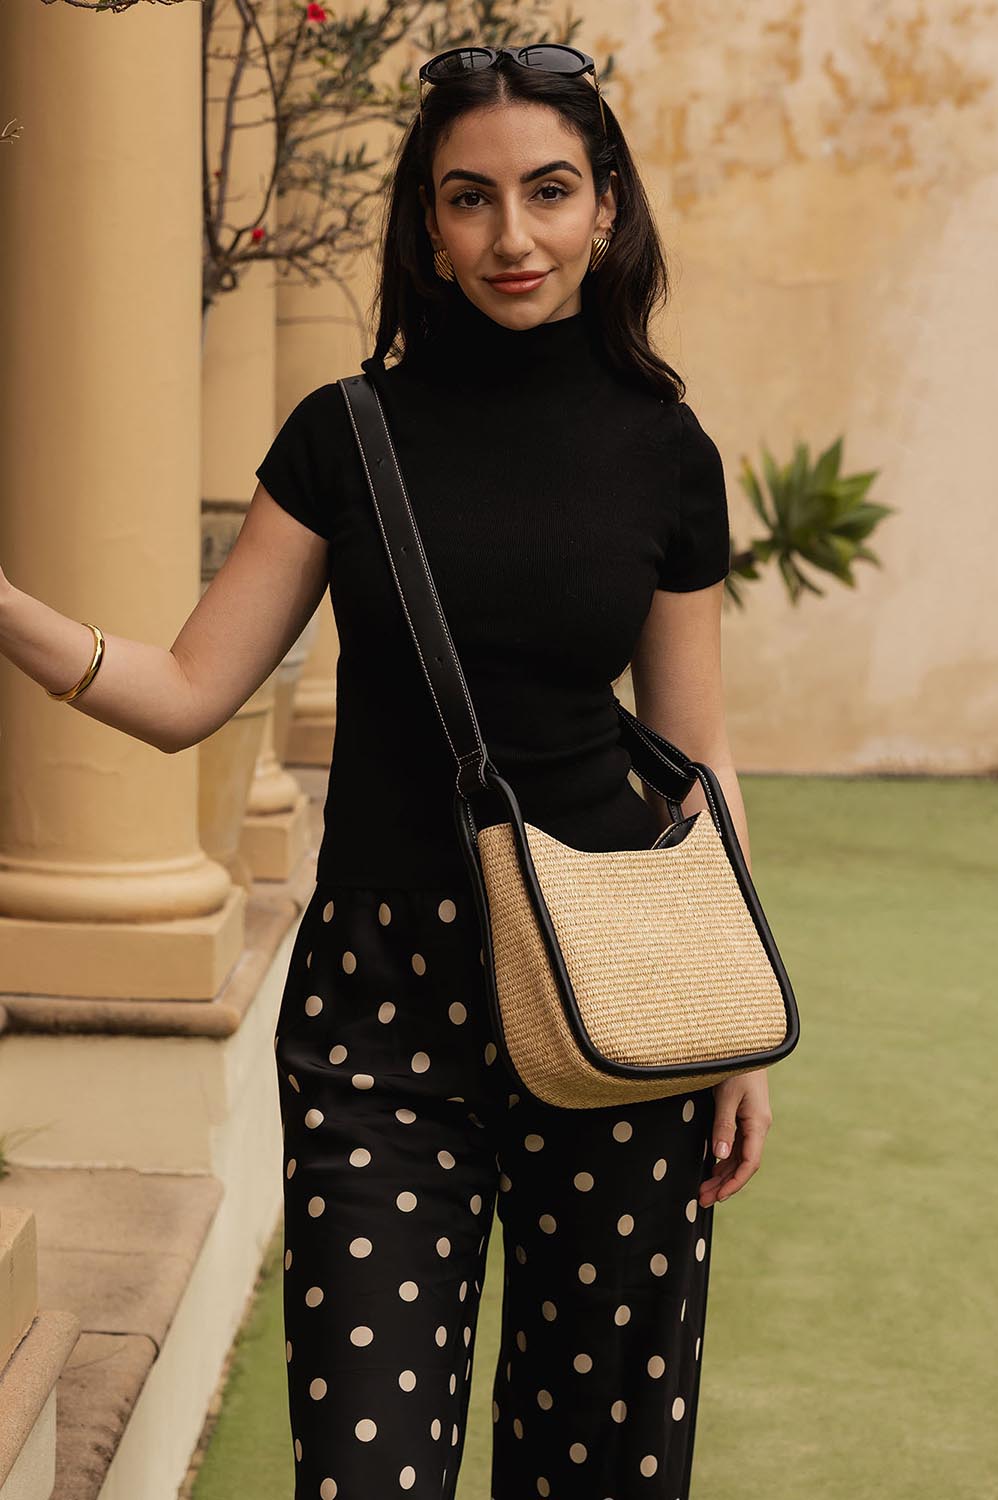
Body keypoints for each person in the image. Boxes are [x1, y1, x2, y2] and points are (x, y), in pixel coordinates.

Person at [0, 42, 774, 1500]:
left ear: (607, 205)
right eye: (470, 198)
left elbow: (697, 756)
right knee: (366, 1469)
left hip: (614, 993)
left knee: (603, 1466)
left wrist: (727, 1023)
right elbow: (185, 695)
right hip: (379, 1011)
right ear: (427, 221)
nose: (512, 234)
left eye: (549, 191)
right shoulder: (344, 436)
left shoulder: (667, 453)